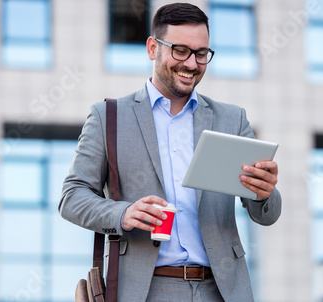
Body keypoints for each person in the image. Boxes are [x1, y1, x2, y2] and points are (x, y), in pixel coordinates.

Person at [59, 3, 281, 301]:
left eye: (201, 54)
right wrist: (123, 213)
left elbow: (266, 216)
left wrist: (265, 193)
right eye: (180, 50)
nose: (191, 63)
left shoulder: (231, 119)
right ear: (153, 48)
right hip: (144, 289)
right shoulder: (108, 116)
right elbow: (72, 196)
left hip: (221, 290)